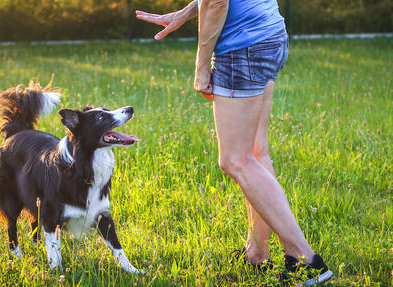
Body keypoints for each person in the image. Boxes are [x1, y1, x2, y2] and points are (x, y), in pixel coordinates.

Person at [136, 1, 333, 285]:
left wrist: (201, 66)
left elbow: (217, 1)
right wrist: (185, 13)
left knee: (235, 160)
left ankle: (305, 259)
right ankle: (257, 251)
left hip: (243, 48)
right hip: (268, 33)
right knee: (256, 152)